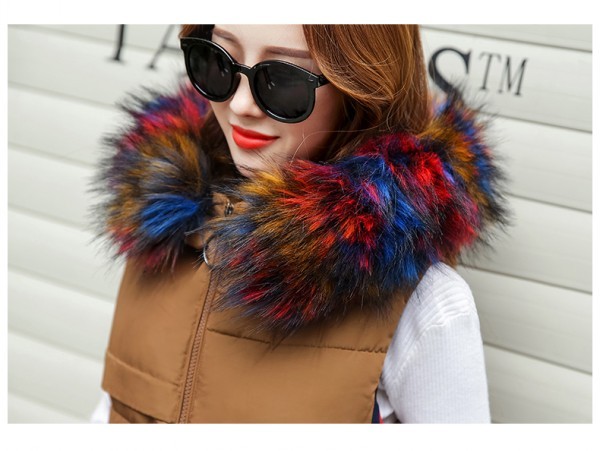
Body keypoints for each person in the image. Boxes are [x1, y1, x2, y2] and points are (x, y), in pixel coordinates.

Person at [91, 24, 507, 423]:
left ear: (359, 90)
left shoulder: (426, 304)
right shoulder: (163, 234)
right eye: (217, 61)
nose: (241, 105)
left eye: (283, 80)